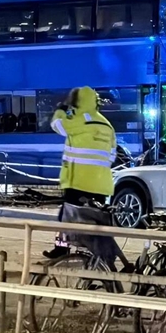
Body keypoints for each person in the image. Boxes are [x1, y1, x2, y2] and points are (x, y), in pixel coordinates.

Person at [43, 86, 117, 259]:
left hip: (78, 181)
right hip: (101, 183)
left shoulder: (79, 120)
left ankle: (61, 249)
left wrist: (61, 109)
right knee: (96, 221)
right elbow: (112, 155)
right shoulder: (107, 125)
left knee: (66, 217)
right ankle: (101, 255)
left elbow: (57, 125)